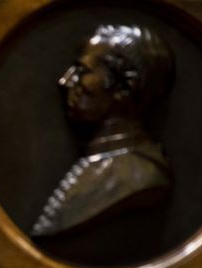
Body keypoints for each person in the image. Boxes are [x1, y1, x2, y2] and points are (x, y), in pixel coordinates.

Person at [31, 24, 175, 237]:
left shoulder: (142, 177)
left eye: (83, 71)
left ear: (124, 87)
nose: (65, 81)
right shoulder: (105, 161)